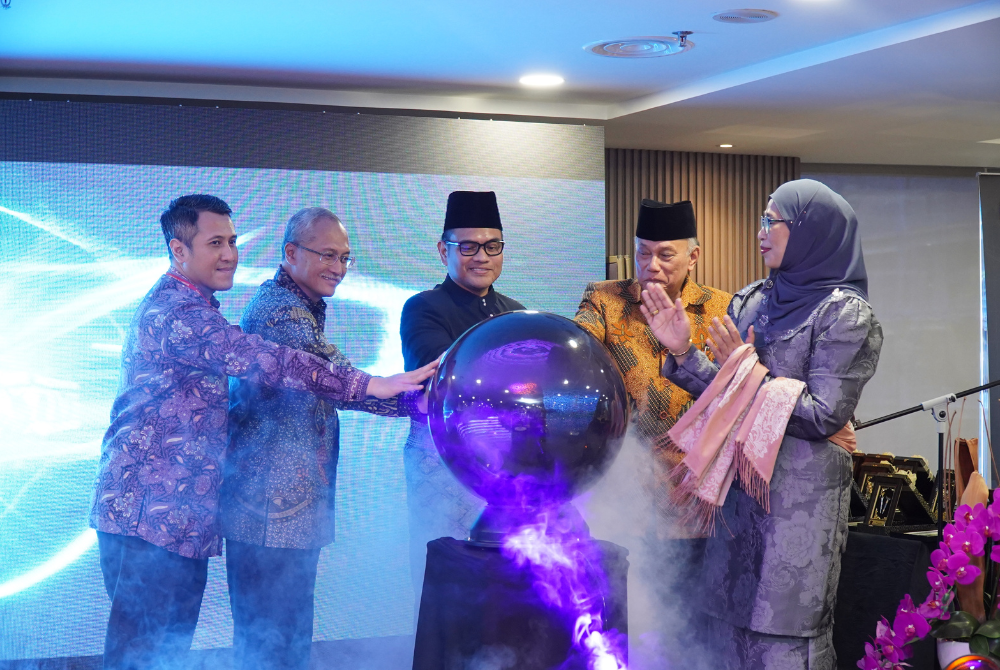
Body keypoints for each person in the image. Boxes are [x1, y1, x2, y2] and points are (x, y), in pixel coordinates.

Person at [89, 195, 436, 670]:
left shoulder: (197, 307)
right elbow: (265, 359)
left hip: (173, 517)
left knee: (160, 656)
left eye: (232, 241)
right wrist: (371, 384)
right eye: (215, 243)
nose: (230, 253)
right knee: (142, 659)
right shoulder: (180, 314)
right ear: (178, 251)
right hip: (154, 517)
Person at [641, 179, 883, 670]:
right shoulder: (752, 299)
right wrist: (682, 352)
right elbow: (726, 397)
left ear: (813, 231)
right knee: (725, 636)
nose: (762, 231)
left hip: (799, 502)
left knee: (785, 642)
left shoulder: (846, 314)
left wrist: (748, 372)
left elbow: (823, 416)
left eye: (773, 221)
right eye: (761, 219)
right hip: (738, 495)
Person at [220, 207, 426, 670]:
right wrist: (415, 401)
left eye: (345, 258)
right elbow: (333, 375)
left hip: (286, 515)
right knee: (270, 644)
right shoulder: (280, 312)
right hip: (268, 516)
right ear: (291, 253)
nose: (338, 267)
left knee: (284, 639)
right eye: (328, 255)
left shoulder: (299, 305)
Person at [399, 190, 525, 608]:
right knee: (446, 582)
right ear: (443, 250)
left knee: (504, 585)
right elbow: (441, 377)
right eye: (468, 246)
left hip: (504, 465)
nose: (481, 256)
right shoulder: (424, 308)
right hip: (444, 464)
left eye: (492, 246)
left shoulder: (515, 312)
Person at [574, 199, 730, 512]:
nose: (651, 265)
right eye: (643, 252)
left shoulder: (721, 309)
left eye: (665, 255)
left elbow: (733, 391)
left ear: (693, 257)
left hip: (696, 486)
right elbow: (576, 345)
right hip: (623, 485)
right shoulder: (605, 300)